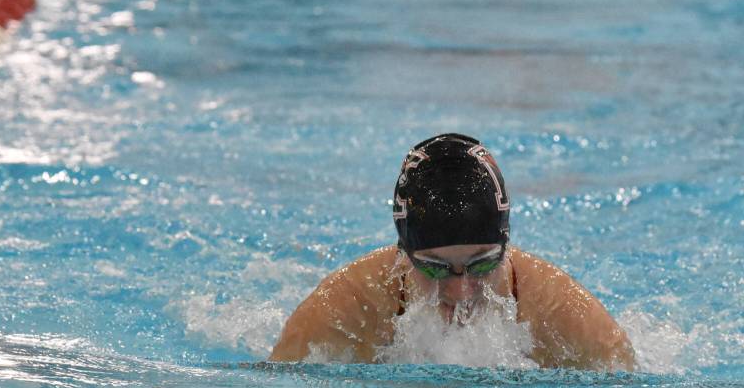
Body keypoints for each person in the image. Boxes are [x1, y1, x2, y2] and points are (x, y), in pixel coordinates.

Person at [269, 133, 635, 371]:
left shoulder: (567, 318)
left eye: (483, 264)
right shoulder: (342, 312)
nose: (461, 292)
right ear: (404, 255)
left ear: (505, 248)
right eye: (435, 269)